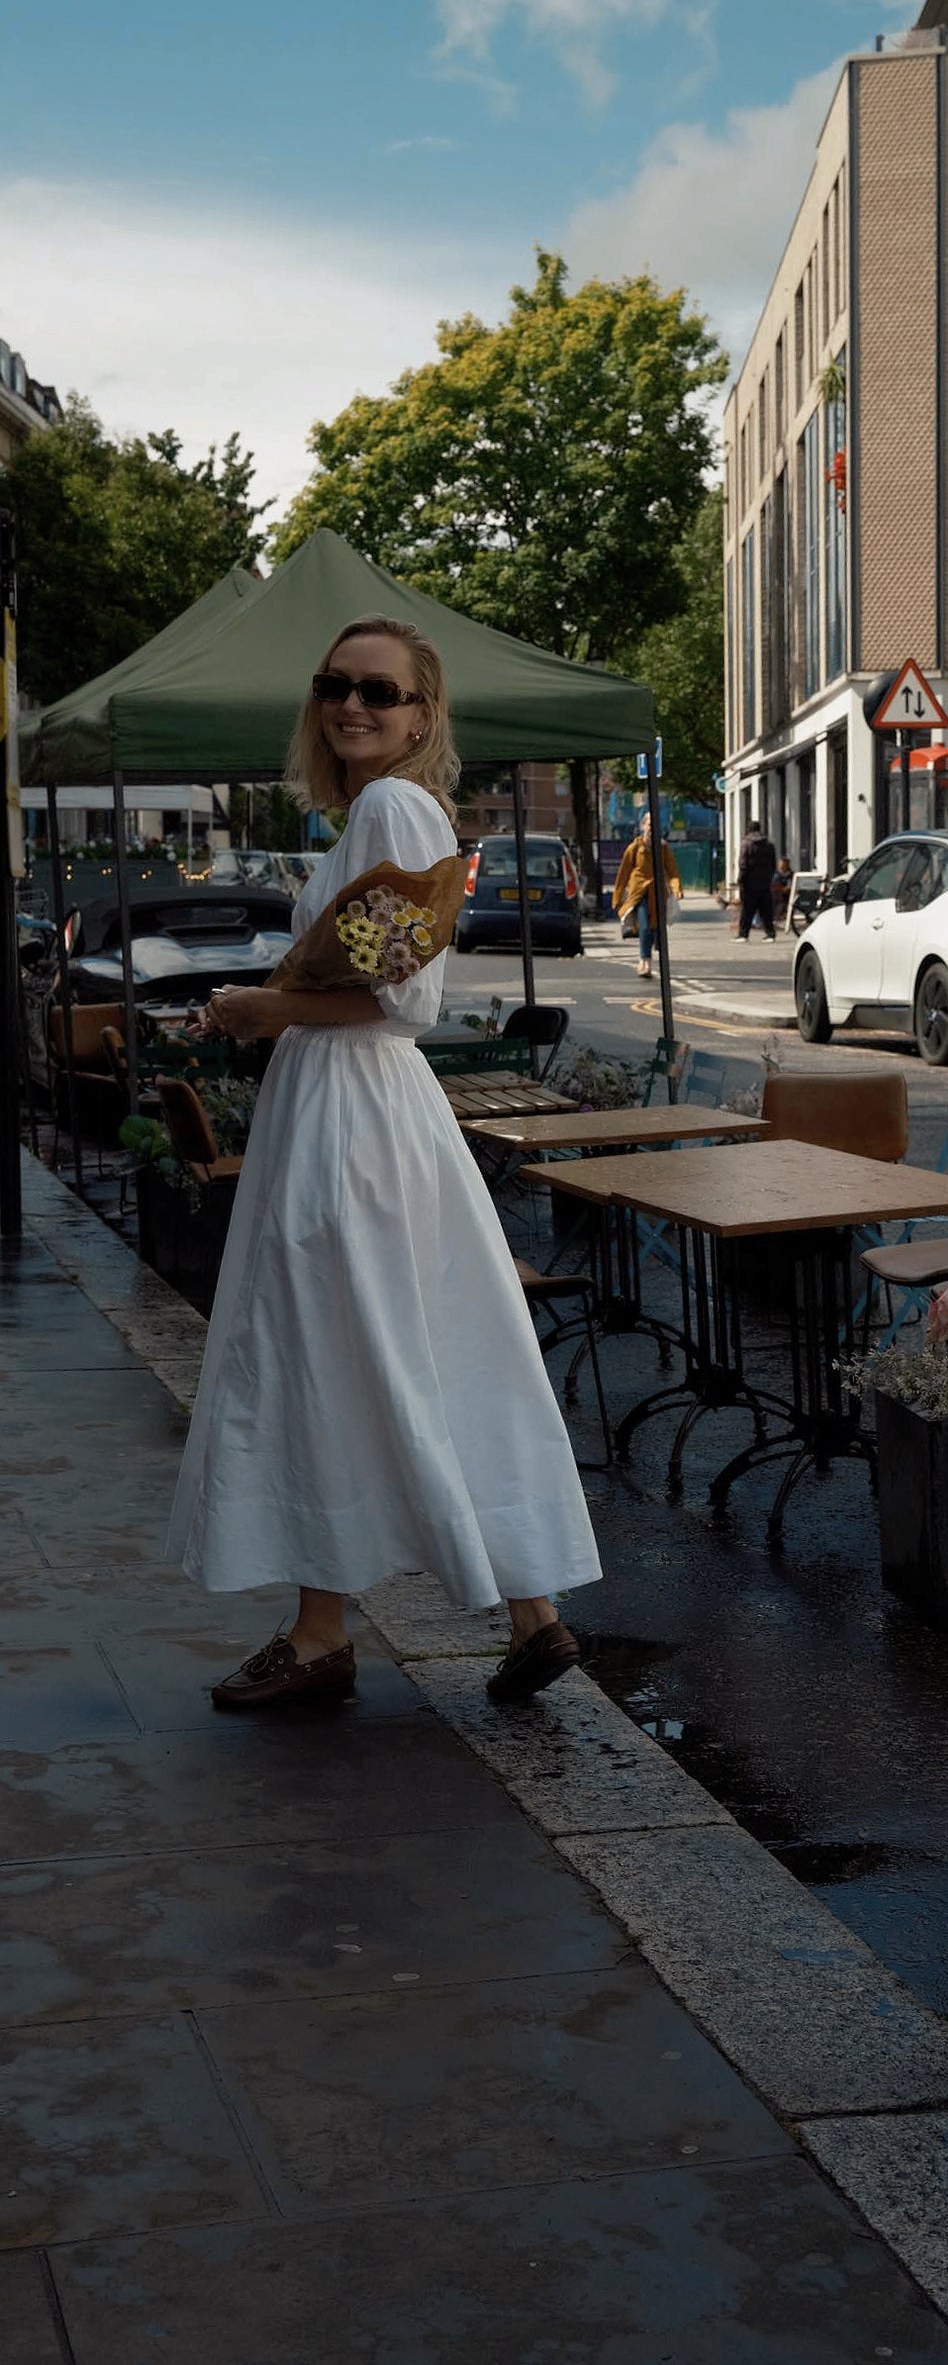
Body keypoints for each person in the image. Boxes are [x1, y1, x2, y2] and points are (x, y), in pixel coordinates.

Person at [165, 613, 600, 1711]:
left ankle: (328, 1634)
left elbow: (398, 997)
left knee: (327, 1350)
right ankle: (521, 1612)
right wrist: (268, 1008)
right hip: (359, 1108)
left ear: (420, 714)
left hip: (350, 1116)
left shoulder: (394, 807)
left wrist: (261, 1005)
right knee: (408, 1346)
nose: (352, 703)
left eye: (379, 690)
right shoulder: (380, 812)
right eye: (334, 685)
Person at [612, 814, 682, 981]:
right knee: (644, 927)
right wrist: (617, 897)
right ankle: (645, 961)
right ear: (643, 826)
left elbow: (672, 871)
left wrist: (676, 888)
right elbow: (623, 874)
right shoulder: (634, 848)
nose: (652, 828)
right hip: (639, 894)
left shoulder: (663, 848)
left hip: (657, 894)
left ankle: (650, 955)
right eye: (649, 824)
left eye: (655, 824)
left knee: (655, 928)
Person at [737, 822, 779, 941]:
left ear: (749, 830)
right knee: (765, 909)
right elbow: (773, 864)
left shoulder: (746, 843)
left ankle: (743, 934)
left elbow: (743, 864)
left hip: (749, 882)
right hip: (765, 882)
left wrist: (741, 879)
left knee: (747, 909)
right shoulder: (769, 844)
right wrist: (768, 877)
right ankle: (770, 933)